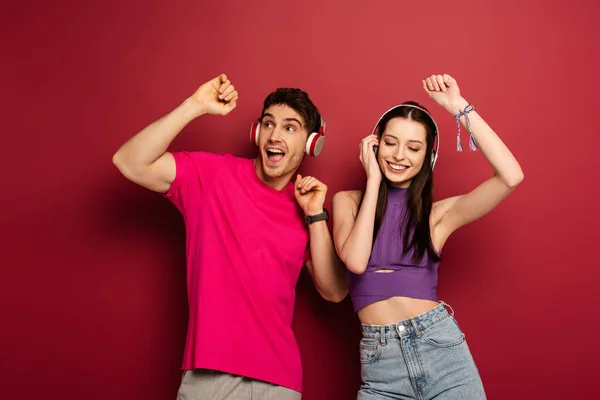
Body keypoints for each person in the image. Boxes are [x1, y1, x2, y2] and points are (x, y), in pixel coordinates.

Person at [112, 73, 348, 399]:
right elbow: (129, 162)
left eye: (289, 127)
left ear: (310, 143)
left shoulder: (306, 205)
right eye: (268, 124)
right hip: (209, 375)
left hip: (280, 381)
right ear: (257, 131)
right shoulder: (211, 175)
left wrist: (316, 215)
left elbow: (335, 291)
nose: (274, 135)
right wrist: (194, 106)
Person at [332, 73, 523, 399]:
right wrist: (374, 180)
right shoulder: (347, 201)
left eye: (413, 147)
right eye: (390, 143)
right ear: (375, 144)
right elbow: (356, 260)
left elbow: (511, 176)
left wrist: (457, 105)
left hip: (441, 350)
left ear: (427, 157)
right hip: (381, 367)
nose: (398, 155)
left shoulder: (437, 216)